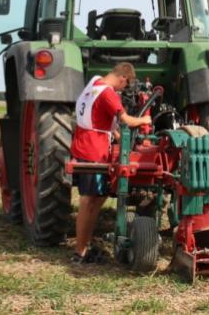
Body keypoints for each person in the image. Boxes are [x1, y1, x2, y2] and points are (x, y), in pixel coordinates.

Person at [70, 62, 151, 264]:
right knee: (89, 201)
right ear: (123, 77)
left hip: (84, 144)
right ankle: (80, 252)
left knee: (96, 199)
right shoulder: (108, 93)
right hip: (93, 150)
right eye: (125, 85)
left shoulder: (93, 84)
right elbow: (127, 121)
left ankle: (84, 246)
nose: (123, 89)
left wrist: (115, 135)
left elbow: (98, 119)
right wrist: (145, 121)